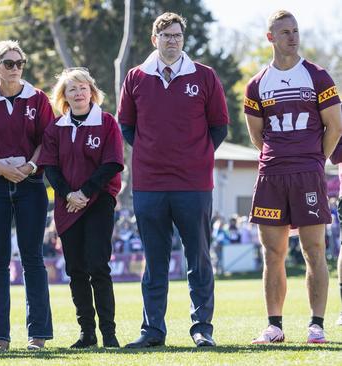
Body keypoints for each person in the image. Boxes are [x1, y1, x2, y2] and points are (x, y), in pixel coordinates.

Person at [117, 12, 229, 348]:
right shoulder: (136, 77)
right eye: (166, 36)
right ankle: (153, 331)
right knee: (155, 261)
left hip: (193, 183)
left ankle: (201, 329)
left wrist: (192, 157)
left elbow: (219, 126)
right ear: (155, 40)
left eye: (178, 35)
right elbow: (127, 127)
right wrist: (154, 153)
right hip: (150, 184)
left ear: (184, 39)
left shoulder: (205, 77)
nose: (173, 41)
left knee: (198, 257)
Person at [245, 10, 342, 344]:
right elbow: (257, 137)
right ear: (270, 37)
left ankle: (316, 324)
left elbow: (335, 126)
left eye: (295, 31)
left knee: (314, 250)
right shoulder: (257, 84)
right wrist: (278, 157)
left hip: (308, 174)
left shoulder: (317, 76)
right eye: (284, 32)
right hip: (272, 175)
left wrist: (315, 158)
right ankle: (274, 326)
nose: (292, 37)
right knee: (273, 253)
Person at [0, 40, 54, 351]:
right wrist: (2, 170)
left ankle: (38, 336)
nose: (15, 68)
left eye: (19, 63)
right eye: (8, 63)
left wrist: (30, 165)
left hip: (31, 184)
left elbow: (47, 141)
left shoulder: (38, 99)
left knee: (33, 259)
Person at [38, 67, 124, 349]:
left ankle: (108, 334)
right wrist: (69, 195)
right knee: (76, 270)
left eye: (83, 87)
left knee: (98, 266)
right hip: (67, 205)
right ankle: (87, 333)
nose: (78, 93)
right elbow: (50, 167)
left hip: (98, 201)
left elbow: (112, 163)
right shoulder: (55, 128)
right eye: (71, 89)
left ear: (92, 92)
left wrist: (85, 192)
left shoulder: (107, 122)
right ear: (64, 95)